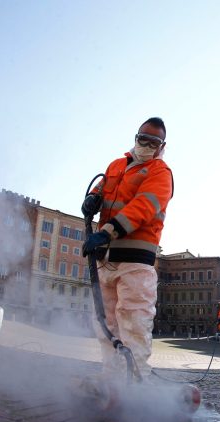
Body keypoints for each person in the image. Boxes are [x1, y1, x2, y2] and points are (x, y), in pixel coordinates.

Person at [82, 117, 173, 382]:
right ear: (135, 137)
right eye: (141, 138)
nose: (145, 145)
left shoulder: (160, 172)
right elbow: (103, 190)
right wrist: (93, 198)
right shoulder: (116, 166)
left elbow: (143, 207)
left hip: (135, 260)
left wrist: (106, 232)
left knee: (133, 323)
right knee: (105, 323)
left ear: (161, 146)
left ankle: (135, 387)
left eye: (152, 142)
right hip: (106, 258)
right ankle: (111, 380)